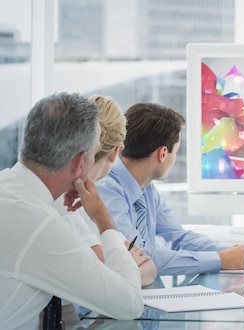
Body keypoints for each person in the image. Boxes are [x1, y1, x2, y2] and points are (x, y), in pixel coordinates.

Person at [0, 93, 144, 329]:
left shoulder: (9, 188)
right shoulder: (39, 224)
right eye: (95, 152)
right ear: (79, 163)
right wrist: (104, 220)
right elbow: (129, 303)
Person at [96, 102, 244, 275]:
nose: (175, 157)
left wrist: (239, 253)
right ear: (162, 154)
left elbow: (178, 237)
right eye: (175, 151)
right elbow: (140, 256)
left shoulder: (145, 187)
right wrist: (221, 260)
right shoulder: (106, 189)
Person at [56, 94, 157, 287]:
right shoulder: (69, 200)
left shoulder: (87, 195)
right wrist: (124, 264)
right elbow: (107, 281)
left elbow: (149, 267)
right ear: (115, 153)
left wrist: (121, 267)